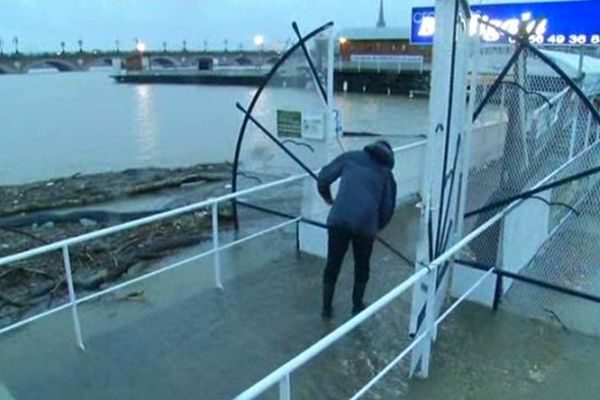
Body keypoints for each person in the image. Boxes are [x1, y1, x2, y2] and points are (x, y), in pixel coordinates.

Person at [317, 140, 397, 318]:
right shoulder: (386, 174)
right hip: (365, 227)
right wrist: (376, 226)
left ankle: (326, 309)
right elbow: (387, 209)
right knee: (362, 267)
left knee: (332, 264)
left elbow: (323, 178)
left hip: (338, 220)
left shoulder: (351, 157)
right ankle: (357, 306)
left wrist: (329, 199)